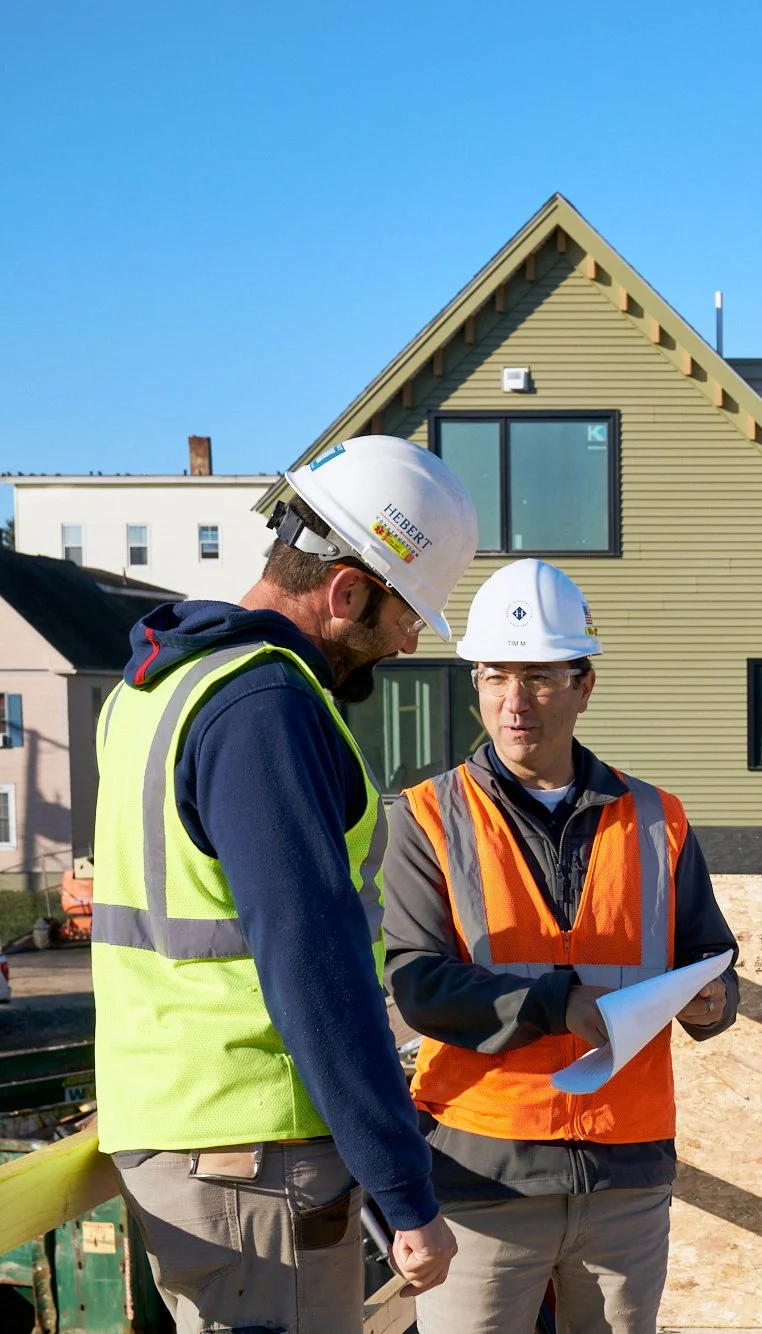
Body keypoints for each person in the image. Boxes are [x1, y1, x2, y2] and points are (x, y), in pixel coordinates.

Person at [92, 436, 480, 1330]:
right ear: (346, 590)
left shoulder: (153, 687)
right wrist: (399, 1184)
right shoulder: (266, 706)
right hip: (254, 1152)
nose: (412, 640)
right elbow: (312, 960)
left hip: (179, 1127)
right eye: (406, 614)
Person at [380, 558, 739, 1334]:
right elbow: (418, 984)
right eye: (495, 677)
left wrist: (713, 1001)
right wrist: (558, 1007)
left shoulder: (658, 818)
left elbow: (710, 955)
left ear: (584, 685)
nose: (515, 704)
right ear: (475, 682)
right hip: (483, 1174)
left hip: (627, 1172)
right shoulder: (425, 818)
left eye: (540, 678)